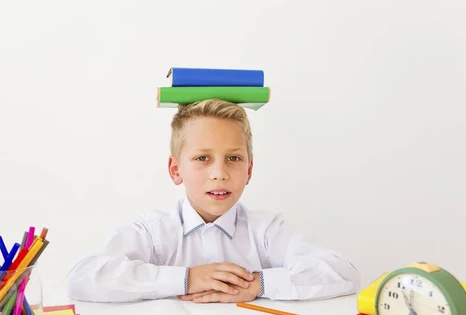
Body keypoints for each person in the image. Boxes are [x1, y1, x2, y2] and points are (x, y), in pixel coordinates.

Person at [67, 99, 360, 303]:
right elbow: (82, 276)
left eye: (233, 158)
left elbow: (343, 271)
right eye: (202, 158)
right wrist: (187, 279)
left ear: (249, 170)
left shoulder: (267, 230)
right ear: (175, 170)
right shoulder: (153, 231)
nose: (219, 174)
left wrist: (258, 284)